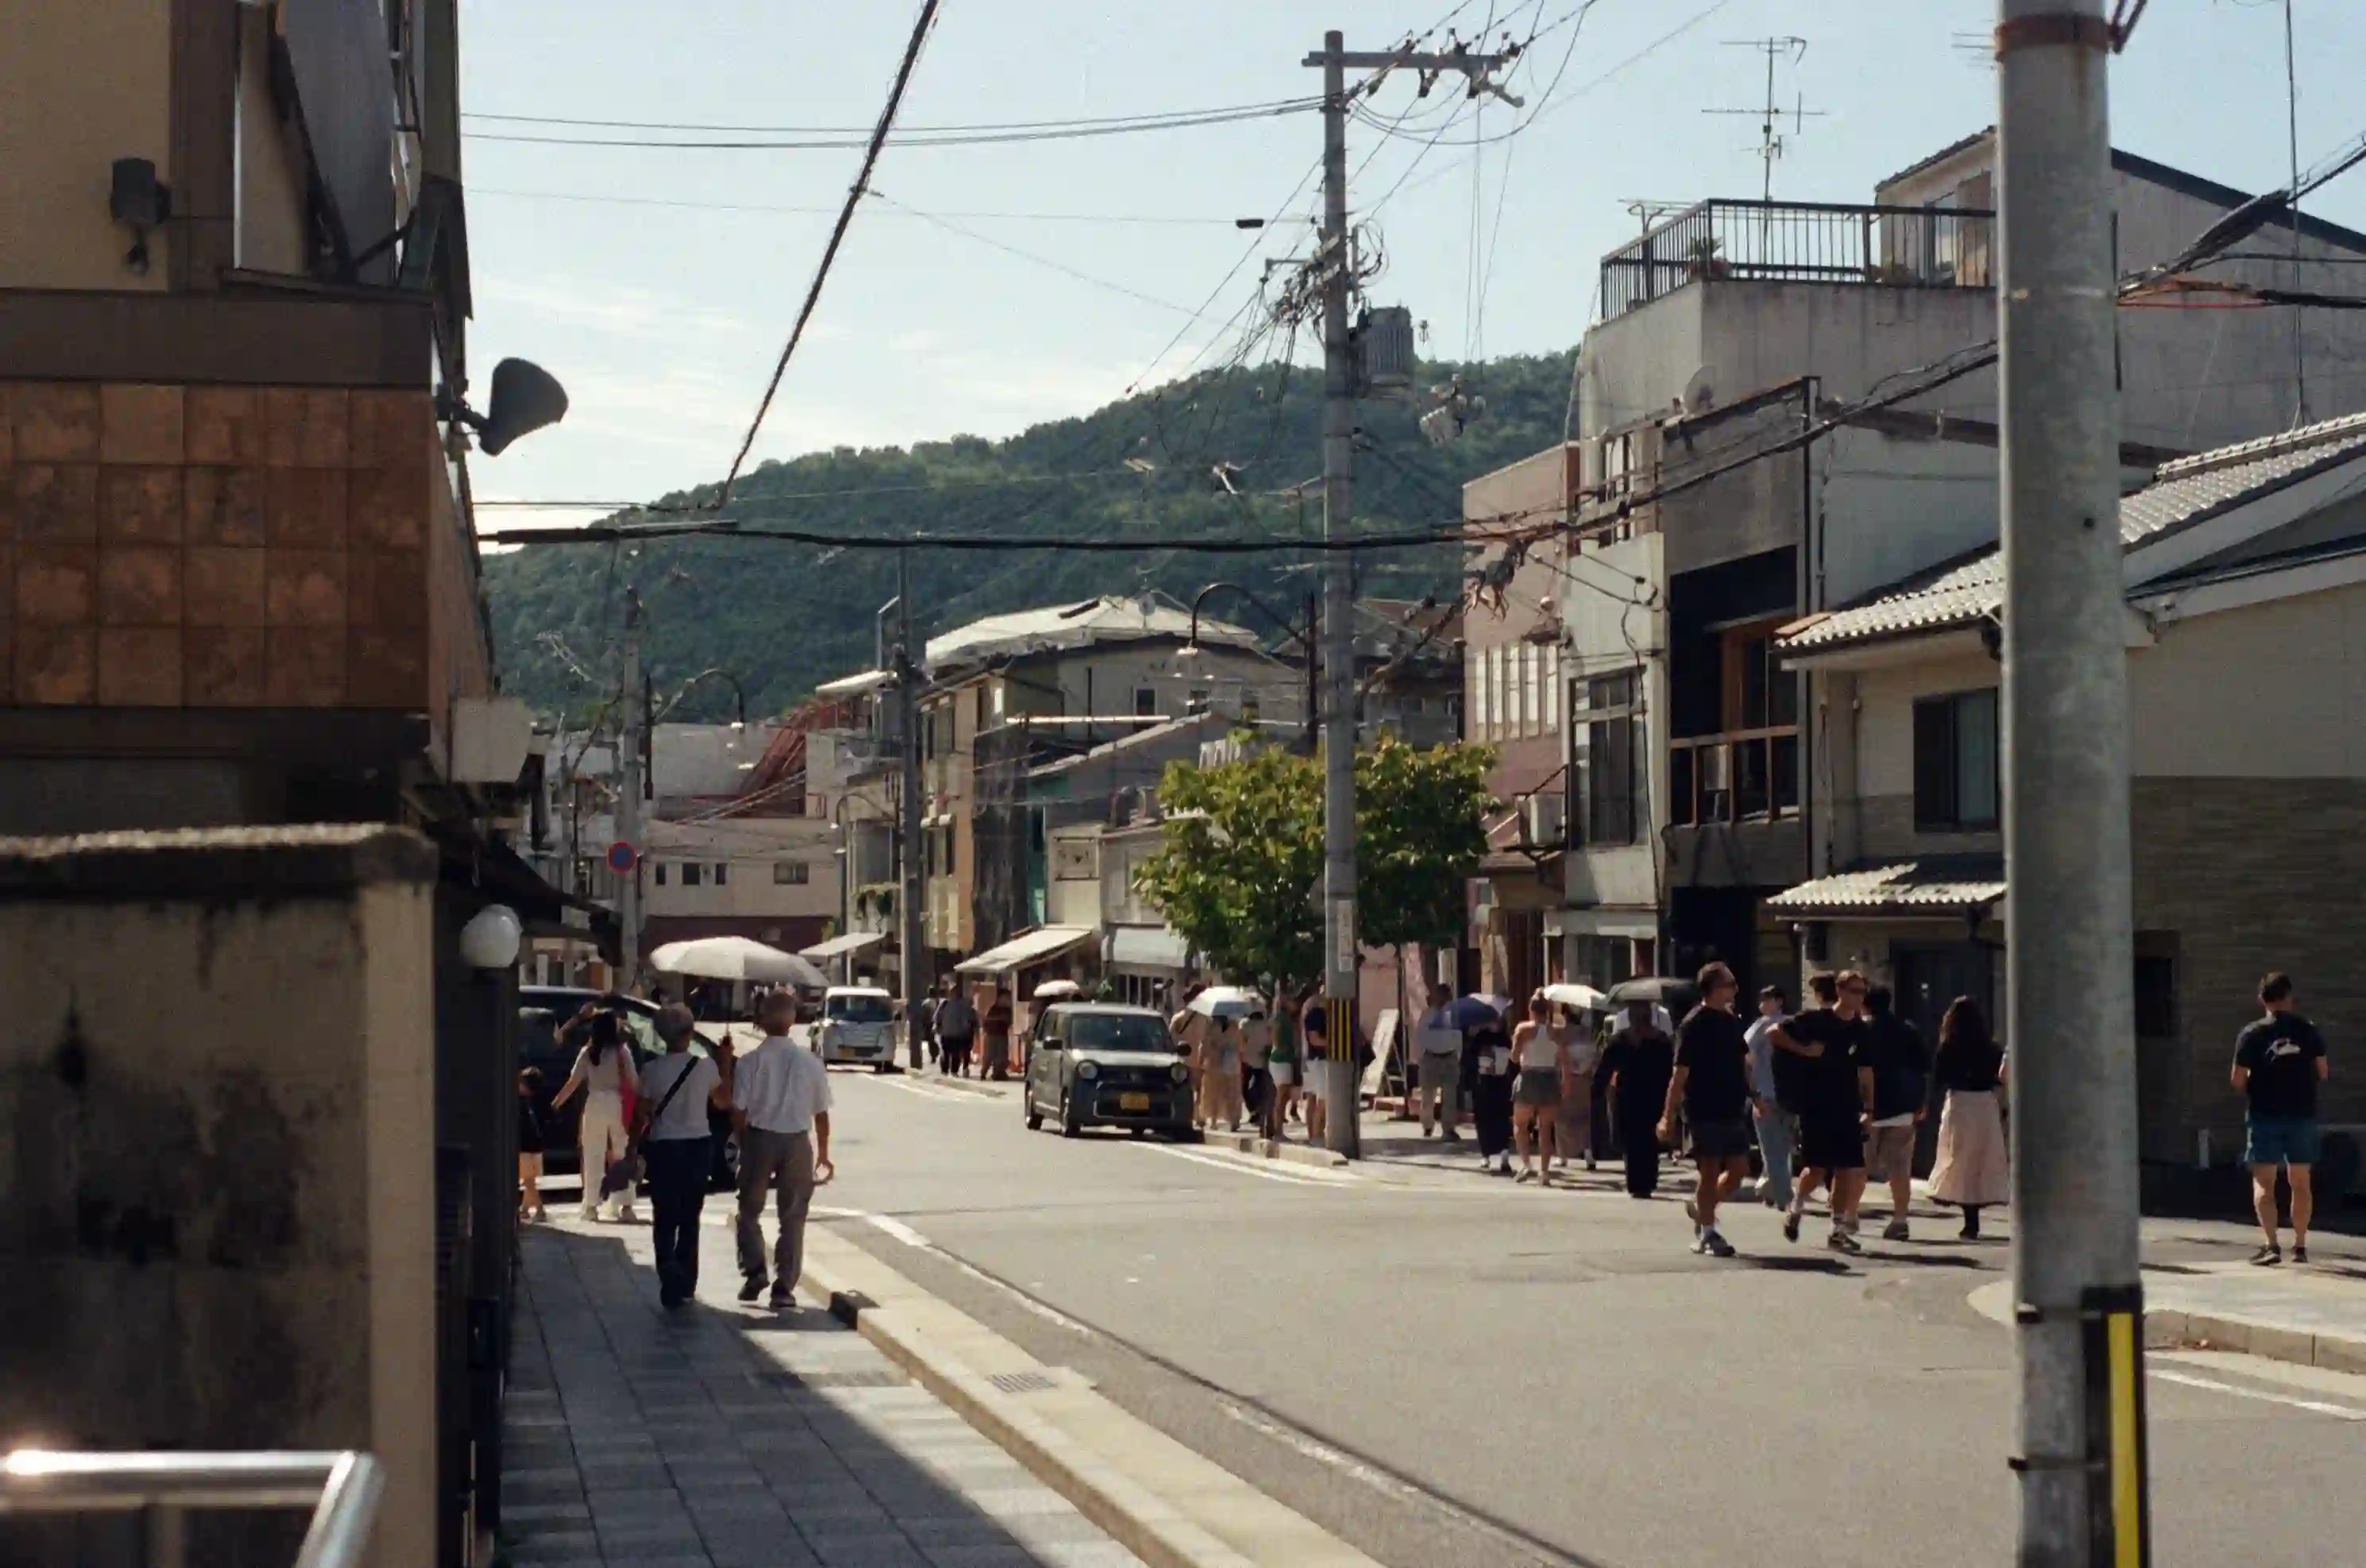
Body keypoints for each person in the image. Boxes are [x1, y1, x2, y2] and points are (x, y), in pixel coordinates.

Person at [731, 989, 835, 1309]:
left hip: (760, 1137)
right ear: (792, 1020)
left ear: (761, 1021)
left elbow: (738, 1109)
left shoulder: (750, 1061)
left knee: (748, 1210)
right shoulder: (810, 1062)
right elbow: (821, 1114)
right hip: (797, 1141)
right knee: (793, 1216)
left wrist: (743, 1139)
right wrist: (824, 1154)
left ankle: (754, 1271)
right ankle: (784, 1286)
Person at [635, 1003, 736, 1308]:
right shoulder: (705, 1067)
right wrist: (726, 1063)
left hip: (663, 1147)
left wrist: (630, 1150)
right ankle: (686, 1283)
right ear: (690, 1033)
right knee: (690, 1217)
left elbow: (640, 1115)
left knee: (664, 1215)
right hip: (697, 1146)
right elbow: (723, 1102)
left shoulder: (651, 1070)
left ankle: (668, 1271)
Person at [2232, 971, 2330, 1266]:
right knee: (2301, 1181)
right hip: (2302, 1114)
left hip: (2264, 1115)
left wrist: (2257, 1083)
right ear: (2290, 997)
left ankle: (2271, 1244)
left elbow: (2236, 1079)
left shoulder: (2251, 1034)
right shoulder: (2309, 1030)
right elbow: (2323, 1072)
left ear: (2261, 999)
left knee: (2265, 1182)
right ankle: (2300, 1246)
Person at [1775, 971, 1873, 1253]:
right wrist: (1804, 1050)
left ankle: (1838, 1229)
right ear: (1840, 991)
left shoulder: (1861, 1030)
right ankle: (1796, 1209)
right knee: (1816, 1167)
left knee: (1846, 1169)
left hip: (1848, 1105)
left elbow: (1866, 1071)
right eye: (1854, 991)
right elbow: (1774, 1033)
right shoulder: (1815, 1020)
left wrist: (1869, 1109)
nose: (1858, 997)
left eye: (1862, 992)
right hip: (1816, 1104)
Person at [1660, 964, 1756, 1256]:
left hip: (1732, 1104)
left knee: (1739, 1170)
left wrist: (1756, 1095)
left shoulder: (1730, 1021)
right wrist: (1668, 1115)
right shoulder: (1693, 1025)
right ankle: (1708, 1232)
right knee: (1710, 1170)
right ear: (1714, 988)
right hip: (1702, 1106)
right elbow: (1680, 1074)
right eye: (1730, 984)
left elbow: (1744, 1062)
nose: (1736, 989)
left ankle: (1703, 1208)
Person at [1927, 996, 2008, 1239]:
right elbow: (1999, 1077)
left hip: (1960, 1102)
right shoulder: (1991, 1047)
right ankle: (1977, 1206)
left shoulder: (1949, 1046)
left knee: (1959, 1156)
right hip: (1985, 1103)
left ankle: (1964, 1210)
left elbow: (1938, 1078)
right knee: (1983, 1158)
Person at [549, 1007, 640, 1223]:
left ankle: (591, 1206)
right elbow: (634, 1082)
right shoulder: (622, 1052)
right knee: (621, 1153)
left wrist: (555, 1103)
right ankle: (625, 1206)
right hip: (618, 1103)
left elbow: (573, 1083)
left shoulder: (588, 1052)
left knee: (592, 1154)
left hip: (594, 1103)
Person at [1860, 985, 1930, 1241]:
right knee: (1900, 1167)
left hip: (1869, 1105)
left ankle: (1847, 1218)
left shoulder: (1861, 1030)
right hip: (1903, 1103)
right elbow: (1923, 1067)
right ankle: (1900, 1219)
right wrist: (1920, 1100)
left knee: (1859, 1166)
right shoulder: (1908, 1030)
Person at [1598, 1000, 1673, 1198]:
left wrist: (1598, 1091)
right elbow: (1669, 1069)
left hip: (1628, 1095)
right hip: (1654, 1094)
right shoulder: (1661, 1040)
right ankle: (1648, 1181)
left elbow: (1605, 1069)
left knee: (1632, 1140)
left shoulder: (1621, 1040)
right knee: (1650, 1140)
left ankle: (1635, 1182)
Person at [1744, 986, 1793, 1209]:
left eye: (1767, 999)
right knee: (1782, 1146)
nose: (1762, 1004)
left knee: (1771, 1147)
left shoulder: (1763, 1024)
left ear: (1778, 1001)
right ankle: (1770, 1188)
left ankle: (1783, 1195)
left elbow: (1745, 1053)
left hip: (1765, 1092)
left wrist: (1751, 1086)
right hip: (1789, 1094)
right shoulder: (1793, 1023)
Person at [1510, 992, 1562, 1184]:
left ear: (1531, 1010)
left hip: (1529, 1076)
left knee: (1520, 1125)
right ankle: (1544, 1172)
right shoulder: (1557, 1031)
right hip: (1549, 1077)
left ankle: (1526, 1164)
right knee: (1546, 1128)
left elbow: (1514, 1057)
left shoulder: (1523, 1029)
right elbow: (1562, 1059)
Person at [1467, 1001, 1517, 1175]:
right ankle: (1485, 1154)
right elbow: (1469, 1058)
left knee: (1502, 1118)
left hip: (1501, 1083)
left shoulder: (1505, 1037)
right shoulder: (1479, 1036)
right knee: (1483, 1118)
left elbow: (1514, 1059)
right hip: (1483, 1082)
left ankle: (1504, 1155)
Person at [1413, 988, 1465, 1141]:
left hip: (1449, 1057)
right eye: (1441, 995)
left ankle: (1448, 1129)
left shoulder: (1453, 1015)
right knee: (1428, 1095)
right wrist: (1421, 1057)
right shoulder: (1427, 1015)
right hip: (1431, 1057)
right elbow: (1420, 1036)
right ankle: (1427, 1126)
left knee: (1450, 1096)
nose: (1444, 999)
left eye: (1447, 996)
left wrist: (1457, 1056)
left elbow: (1458, 1036)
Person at [1552, 1003, 1599, 1175]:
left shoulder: (1561, 1034)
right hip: (1585, 1079)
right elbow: (1595, 1057)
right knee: (1584, 1118)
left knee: (1562, 1117)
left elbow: (1558, 1058)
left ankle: (1563, 1155)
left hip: (1566, 1078)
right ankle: (1587, 1152)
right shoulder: (1588, 1033)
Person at [1263, 988, 1301, 1140]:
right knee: (1281, 1097)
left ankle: (1278, 1129)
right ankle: (1277, 1131)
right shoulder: (1280, 1018)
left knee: (1283, 1097)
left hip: (1284, 1059)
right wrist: (1283, 1046)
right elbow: (1276, 1036)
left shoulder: (1284, 1018)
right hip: (1281, 1059)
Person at [1201, 1014, 1246, 1131]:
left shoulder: (1211, 1027)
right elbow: (1241, 1048)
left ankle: (1214, 1121)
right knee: (1233, 1092)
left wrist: (1201, 1060)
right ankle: (1234, 1120)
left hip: (1213, 1065)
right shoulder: (1235, 1028)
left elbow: (1205, 1046)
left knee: (1213, 1094)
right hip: (1232, 1064)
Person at [517, 1068, 550, 1222]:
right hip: (536, 1147)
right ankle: (524, 1209)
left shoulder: (520, 1103)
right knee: (529, 1179)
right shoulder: (536, 1103)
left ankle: (540, 1209)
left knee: (528, 1182)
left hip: (525, 1148)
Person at [1300, 992, 1330, 1145]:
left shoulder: (1309, 1014)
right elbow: (1315, 1039)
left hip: (1309, 1060)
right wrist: (1334, 1044)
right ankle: (1317, 1134)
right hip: (1319, 1061)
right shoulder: (1317, 1014)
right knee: (1322, 1100)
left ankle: (1313, 1135)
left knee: (1312, 1099)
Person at [937, 982, 977, 1078]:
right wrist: (938, 1026)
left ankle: (953, 1070)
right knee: (946, 1053)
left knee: (955, 1053)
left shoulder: (963, 1005)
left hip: (957, 1033)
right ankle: (945, 1070)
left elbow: (968, 1019)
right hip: (947, 1033)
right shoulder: (945, 1004)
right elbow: (938, 1016)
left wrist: (967, 1028)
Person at [983, 983, 1015, 1080]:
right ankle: (984, 1072)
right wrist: (999, 1019)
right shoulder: (994, 1009)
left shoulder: (1007, 1010)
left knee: (1002, 1056)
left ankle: (998, 1073)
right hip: (992, 1035)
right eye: (1005, 998)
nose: (1007, 1000)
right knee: (989, 1055)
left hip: (1002, 1034)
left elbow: (1009, 1021)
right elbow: (987, 1020)